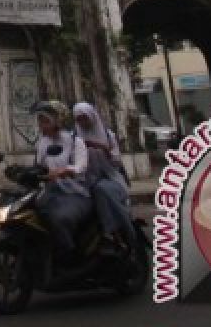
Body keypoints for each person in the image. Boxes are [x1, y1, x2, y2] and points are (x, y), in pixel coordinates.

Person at [31, 100, 92, 265]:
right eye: (40, 121)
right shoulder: (43, 142)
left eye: (45, 121)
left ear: (57, 121)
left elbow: (81, 166)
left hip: (75, 192)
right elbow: (40, 166)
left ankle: (69, 254)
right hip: (52, 190)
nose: (42, 125)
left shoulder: (74, 141)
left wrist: (65, 171)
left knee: (59, 217)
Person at [72, 102, 135, 251]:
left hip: (110, 178)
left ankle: (113, 231)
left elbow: (116, 161)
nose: (83, 122)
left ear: (92, 117)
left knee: (101, 189)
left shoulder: (108, 135)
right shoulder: (74, 138)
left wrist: (102, 148)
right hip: (84, 181)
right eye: (79, 119)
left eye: (85, 118)